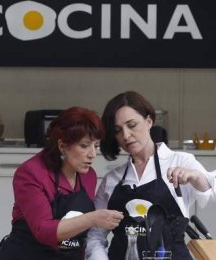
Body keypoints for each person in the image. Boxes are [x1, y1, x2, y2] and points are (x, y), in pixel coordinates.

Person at [85, 91, 215, 260]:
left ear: (149, 121)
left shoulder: (180, 161)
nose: (126, 135)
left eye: (132, 125)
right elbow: (94, 237)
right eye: (118, 130)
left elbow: (212, 189)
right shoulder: (112, 180)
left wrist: (196, 177)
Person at [0, 106, 124, 260]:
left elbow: (79, 239)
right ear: (62, 145)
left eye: (95, 146)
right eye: (84, 145)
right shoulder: (30, 173)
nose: (93, 154)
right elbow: (44, 231)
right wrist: (93, 218)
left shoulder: (88, 175)